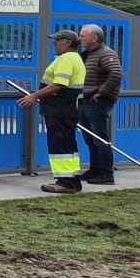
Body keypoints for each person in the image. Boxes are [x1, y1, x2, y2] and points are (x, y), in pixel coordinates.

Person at [19, 28, 85, 194]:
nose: (54, 43)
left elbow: (59, 84)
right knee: (69, 146)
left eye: (57, 40)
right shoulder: (75, 58)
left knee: (60, 146)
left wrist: (34, 96)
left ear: (68, 43)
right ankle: (72, 179)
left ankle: (65, 182)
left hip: (60, 109)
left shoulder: (66, 59)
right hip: (68, 109)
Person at [77, 23, 123, 185]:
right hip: (87, 100)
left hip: (97, 101)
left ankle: (106, 173)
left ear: (94, 38)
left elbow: (116, 74)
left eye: (83, 36)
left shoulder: (106, 53)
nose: (80, 38)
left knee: (100, 138)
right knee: (90, 138)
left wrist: (101, 92)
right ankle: (95, 169)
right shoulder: (89, 54)